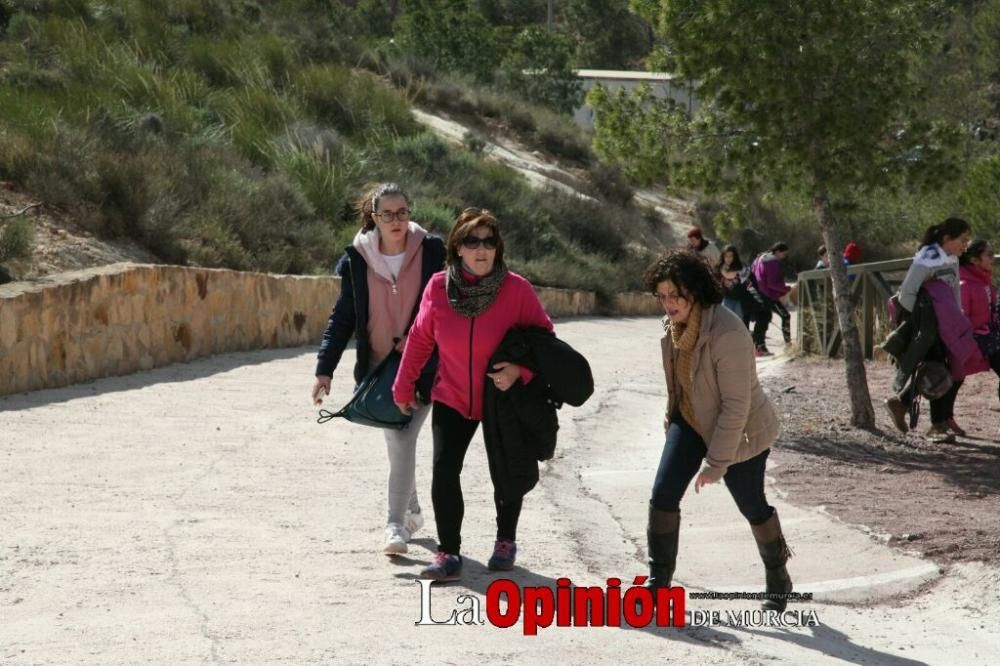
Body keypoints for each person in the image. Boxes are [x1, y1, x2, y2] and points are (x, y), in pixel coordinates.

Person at [392, 207, 554, 582]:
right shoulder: (437, 287)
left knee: (507, 469)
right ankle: (448, 552)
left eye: (489, 241)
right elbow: (419, 340)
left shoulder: (517, 290)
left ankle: (505, 540)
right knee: (444, 470)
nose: (481, 249)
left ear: (498, 248)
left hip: (502, 397)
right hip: (451, 394)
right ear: (457, 248)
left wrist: (520, 372)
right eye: (472, 241)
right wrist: (403, 385)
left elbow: (547, 344)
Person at [642, 250, 793, 612]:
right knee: (662, 495)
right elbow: (678, 382)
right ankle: (657, 583)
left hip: (740, 432)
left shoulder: (727, 332)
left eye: (674, 295)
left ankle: (778, 574)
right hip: (691, 422)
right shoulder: (673, 326)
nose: (667, 304)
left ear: (694, 291)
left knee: (752, 506)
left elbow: (735, 407)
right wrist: (672, 418)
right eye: (661, 296)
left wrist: (716, 463)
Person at [312, 183, 445, 555]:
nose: (396, 220)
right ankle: (412, 510)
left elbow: (447, 305)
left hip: (422, 366)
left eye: (402, 212)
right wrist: (325, 368)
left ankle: (395, 525)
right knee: (396, 439)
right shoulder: (358, 258)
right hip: (377, 367)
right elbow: (343, 317)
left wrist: (423, 337)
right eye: (387, 214)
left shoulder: (432, 251)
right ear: (374, 217)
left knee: (402, 439)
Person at [884, 217, 972, 442]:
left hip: (948, 325)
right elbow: (907, 294)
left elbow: (954, 291)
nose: (966, 245)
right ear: (947, 239)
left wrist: (956, 316)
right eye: (962, 240)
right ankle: (937, 426)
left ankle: (901, 404)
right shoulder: (926, 260)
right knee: (937, 371)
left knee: (945, 370)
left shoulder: (951, 258)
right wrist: (926, 320)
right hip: (928, 327)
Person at [957, 240, 1000, 421]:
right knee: (953, 379)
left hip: (990, 338)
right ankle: (940, 419)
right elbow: (962, 316)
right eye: (989, 255)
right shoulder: (965, 284)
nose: (993, 259)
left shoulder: (984, 280)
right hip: (973, 341)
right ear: (975, 260)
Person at [751, 242, 793, 355]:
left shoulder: (759, 258)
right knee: (785, 316)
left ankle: (759, 347)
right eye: (784, 254)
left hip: (757, 294)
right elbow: (772, 283)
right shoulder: (772, 261)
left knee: (763, 319)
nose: (783, 257)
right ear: (778, 252)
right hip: (768, 295)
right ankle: (788, 345)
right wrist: (787, 289)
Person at [717, 244, 758, 327]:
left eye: (731, 256)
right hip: (727, 299)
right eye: (726, 256)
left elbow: (751, 284)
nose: (728, 259)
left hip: (741, 301)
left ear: (735, 257)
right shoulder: (719, 269)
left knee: (740, 324)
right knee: (726, 324)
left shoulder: (742, 269)